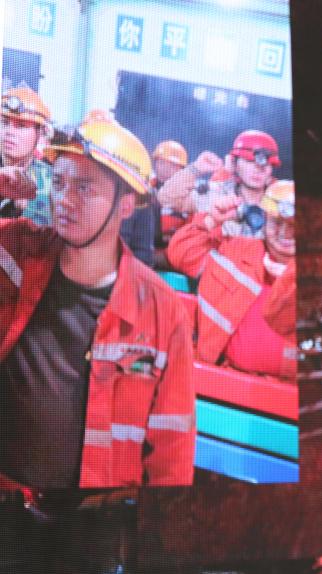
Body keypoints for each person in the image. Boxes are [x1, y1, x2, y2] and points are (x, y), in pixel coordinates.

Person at [0, 116, 196, 490]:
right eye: (59, 182)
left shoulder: (161, 311)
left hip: (90, 516)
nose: (65, 199)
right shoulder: (16, 252)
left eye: (85, 188)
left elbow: (172, 450)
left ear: (126, 206)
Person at [167, 179, 297, 379]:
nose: (284, 233)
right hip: (222, 380)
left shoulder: (318, 277)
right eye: (277, 222)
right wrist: (212, 220)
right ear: (264, 219)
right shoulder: (236, 251)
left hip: (286, 390)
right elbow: (182, 252)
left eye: (294, 225)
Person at [158, 129, 280, 239]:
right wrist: (195, 169)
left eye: (266, 164)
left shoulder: (282, 201)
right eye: (249, 161)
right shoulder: (215, 195)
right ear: (234, 162)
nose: (258, 169)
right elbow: (166, 199)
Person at [0, 87, 53, 226]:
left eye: (21, 126)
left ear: (39, 133)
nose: (9, 132)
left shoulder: (54, 182)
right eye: (4, 123)